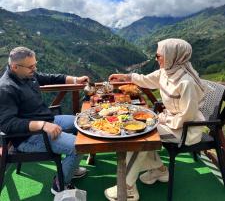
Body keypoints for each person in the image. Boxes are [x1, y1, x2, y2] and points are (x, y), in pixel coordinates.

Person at [105, 38, 206, 201]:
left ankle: (128, 188)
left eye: (159, 55)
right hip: (171, 121)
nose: (156, 58)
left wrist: (162, 119)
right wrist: (125, 76)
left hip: (184, 129)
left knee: (139, 136)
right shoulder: (167, 71)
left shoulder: (186, 82)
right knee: (142, 130)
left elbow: (187, 116)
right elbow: (146, 80)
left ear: (172, 55)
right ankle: (159, 170)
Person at [0, 46, 89, 195]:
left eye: (35, 64)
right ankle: (60, 184)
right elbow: (7, 124)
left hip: (48, 121)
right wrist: (42, 125)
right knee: (79, 146)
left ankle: (69, 168)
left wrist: (76, 79)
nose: (34, 69)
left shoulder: (28, 75)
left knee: (81, 122)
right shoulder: (6, 88)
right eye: (31, 66)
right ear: (15, 67)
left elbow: (50, 77)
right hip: (28, 138)